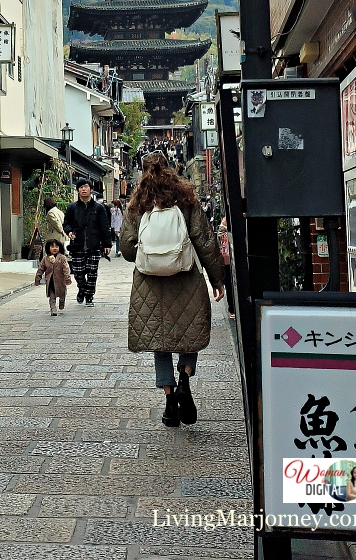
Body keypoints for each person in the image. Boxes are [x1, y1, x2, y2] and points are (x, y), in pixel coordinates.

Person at [120, 153, 224, 427]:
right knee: (191, 331)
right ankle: (185, 380)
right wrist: (217, 279)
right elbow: (205, 240)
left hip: (150, 283)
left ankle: (169, 402)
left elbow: (128, 249)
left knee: (160, 339)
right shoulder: (186, 198)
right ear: (171, 169)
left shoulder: (138, 203)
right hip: (185, 276)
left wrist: (150, 248)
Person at [63, 179, 113, 307]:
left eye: (86, 187)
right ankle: (81, 289)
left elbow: (105, 226)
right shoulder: (72, 207)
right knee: (78, 273)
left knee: (92, 273)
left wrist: (107, 244)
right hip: (77, 245)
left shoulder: (99, 208)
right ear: (78, 190)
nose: (83, 189)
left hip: (94, 245)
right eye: (80, 187)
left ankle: (89, 296)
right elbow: (66, 223)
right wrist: (69, 232)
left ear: (91, 190)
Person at [35, 238, 72, 316]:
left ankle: (62, 301)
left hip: (60, 281)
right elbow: (41, 269)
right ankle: (53, 309)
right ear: (48, 248)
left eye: (56, 246)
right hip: (50, 281)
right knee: (52, 296)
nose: (54, 248)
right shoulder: (45, 258)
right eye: (52, 246)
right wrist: (38, 278)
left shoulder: (62, 257)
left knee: (62, 293)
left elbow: (66, 268)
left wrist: (67, 278)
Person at [217, 217, 235, 319]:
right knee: (229, 283)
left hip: (225, 260)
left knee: (229, 283)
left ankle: (232, 309)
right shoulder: (224, 229)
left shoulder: (221, 229)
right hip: (228, 259)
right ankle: (232, 309)